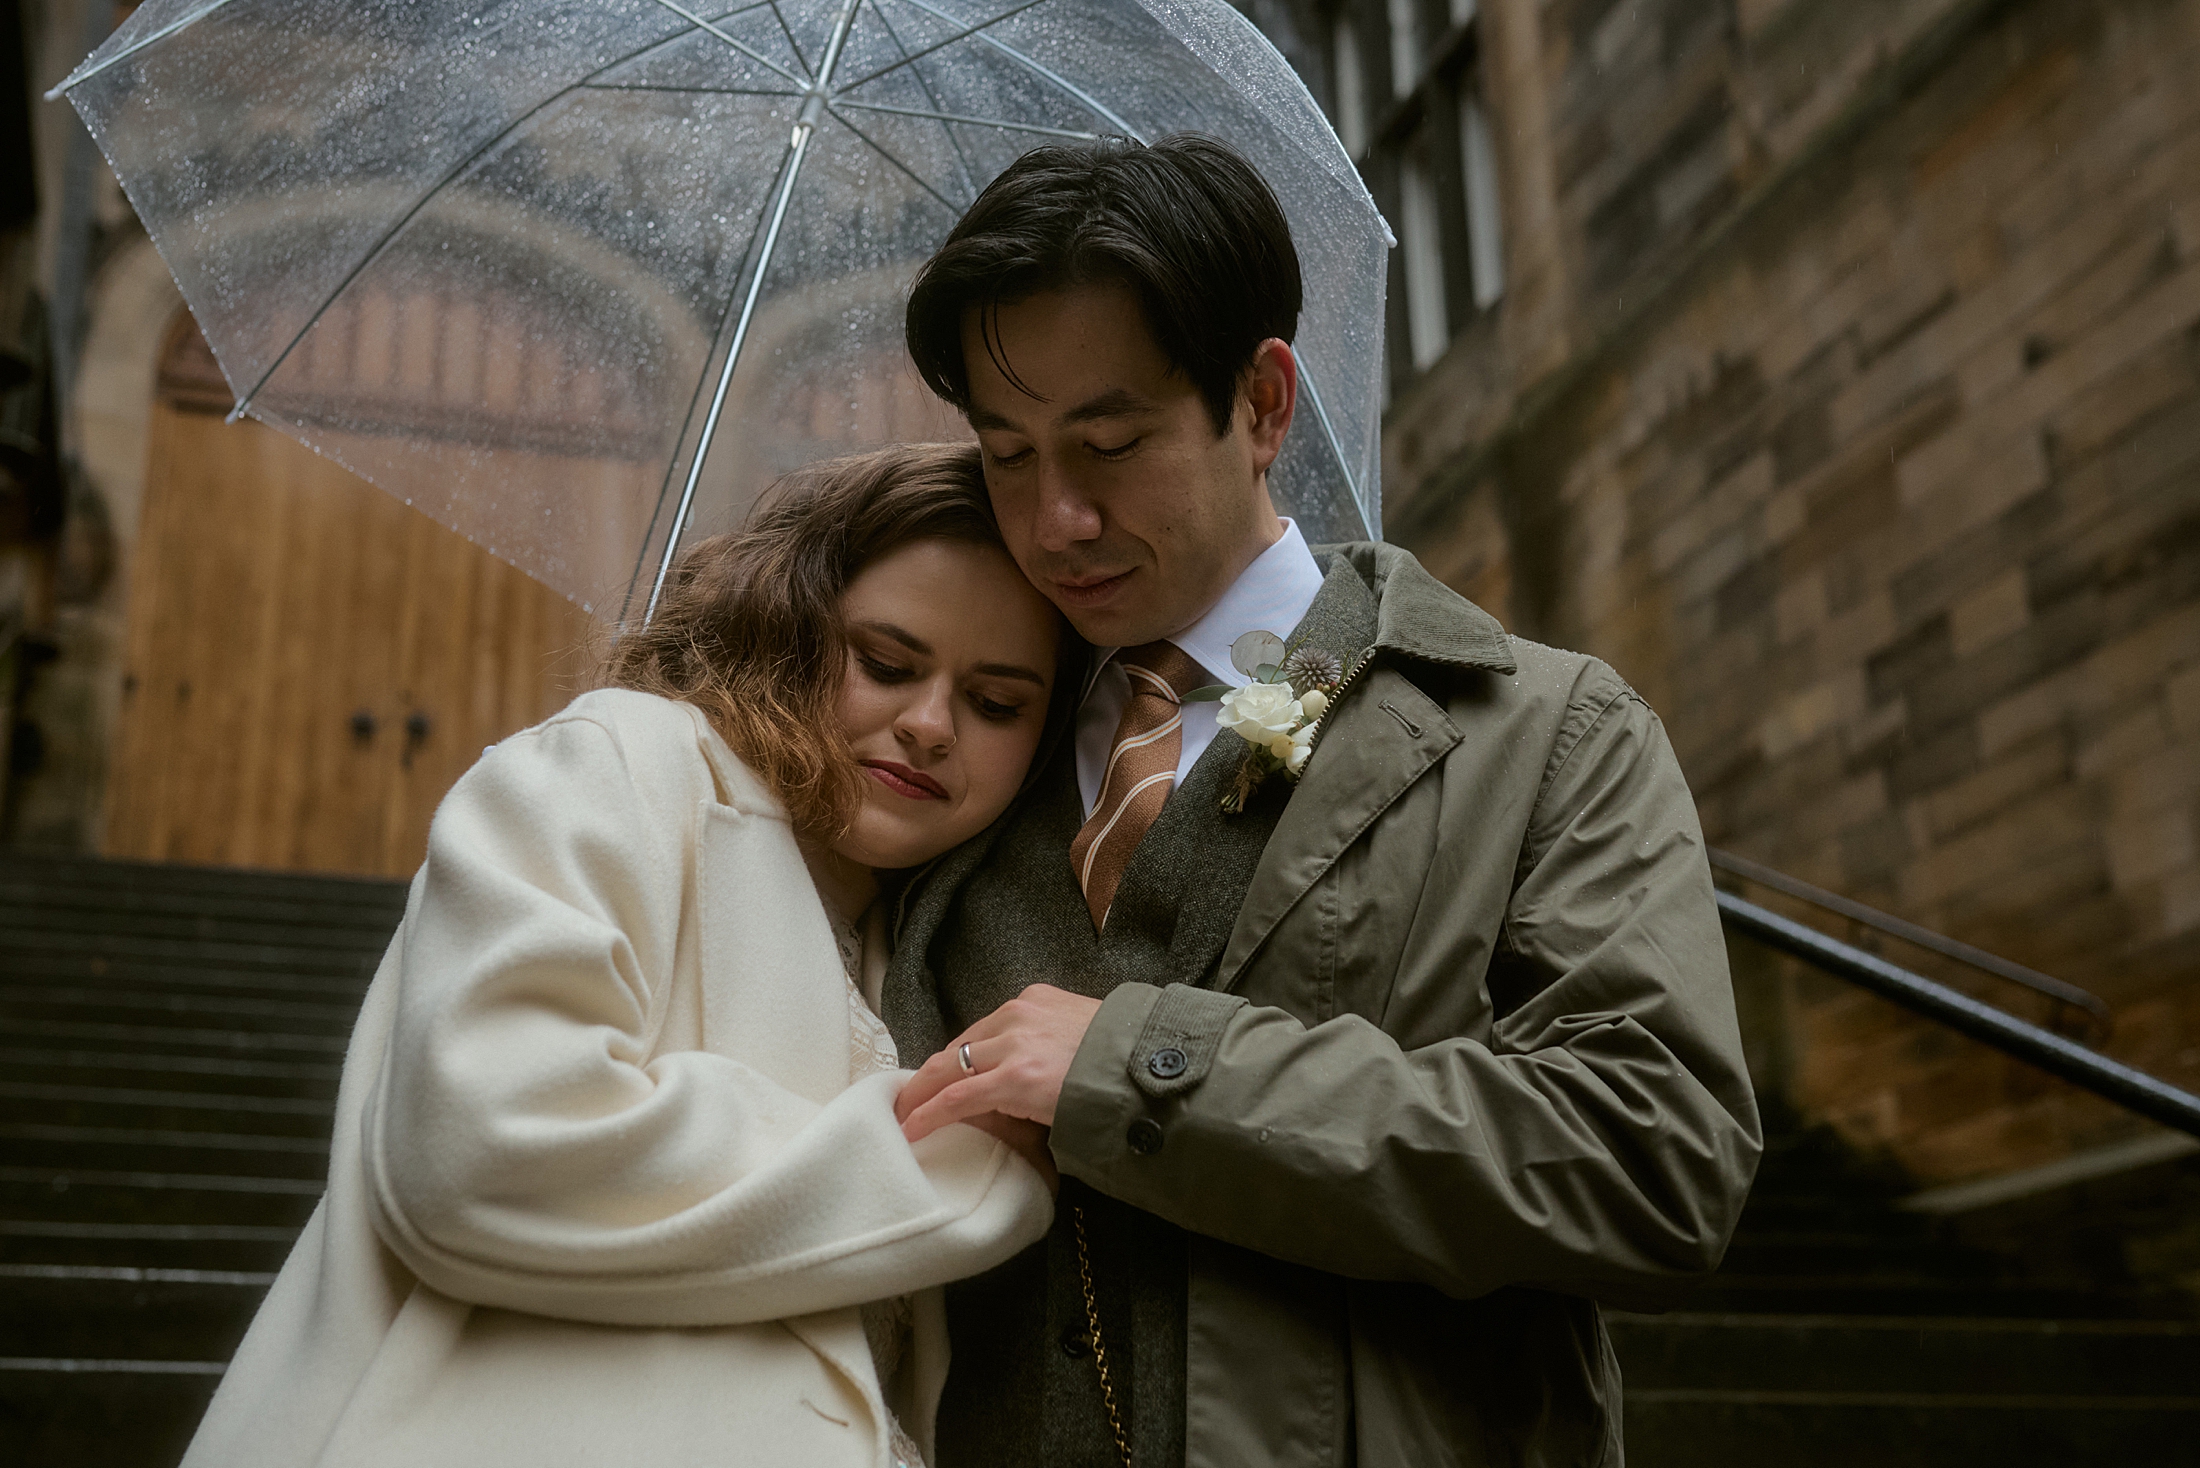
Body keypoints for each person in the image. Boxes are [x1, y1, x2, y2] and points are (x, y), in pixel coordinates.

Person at [883, 136, 1765, 1466]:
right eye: (1009, 454)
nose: (1056, 517)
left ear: (1264, 402)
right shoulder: (949, 745)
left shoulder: (1542, 733)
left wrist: (1144, 1071)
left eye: (1109, 444)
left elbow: (1657, 1155)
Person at [181, 444, 1063, 1468]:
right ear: (787, 626)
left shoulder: (914, 947)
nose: (927, 726)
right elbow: (485, 1153)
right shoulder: (623, 762)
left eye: (997, 704)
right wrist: (965, 1170)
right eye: (885, 661)